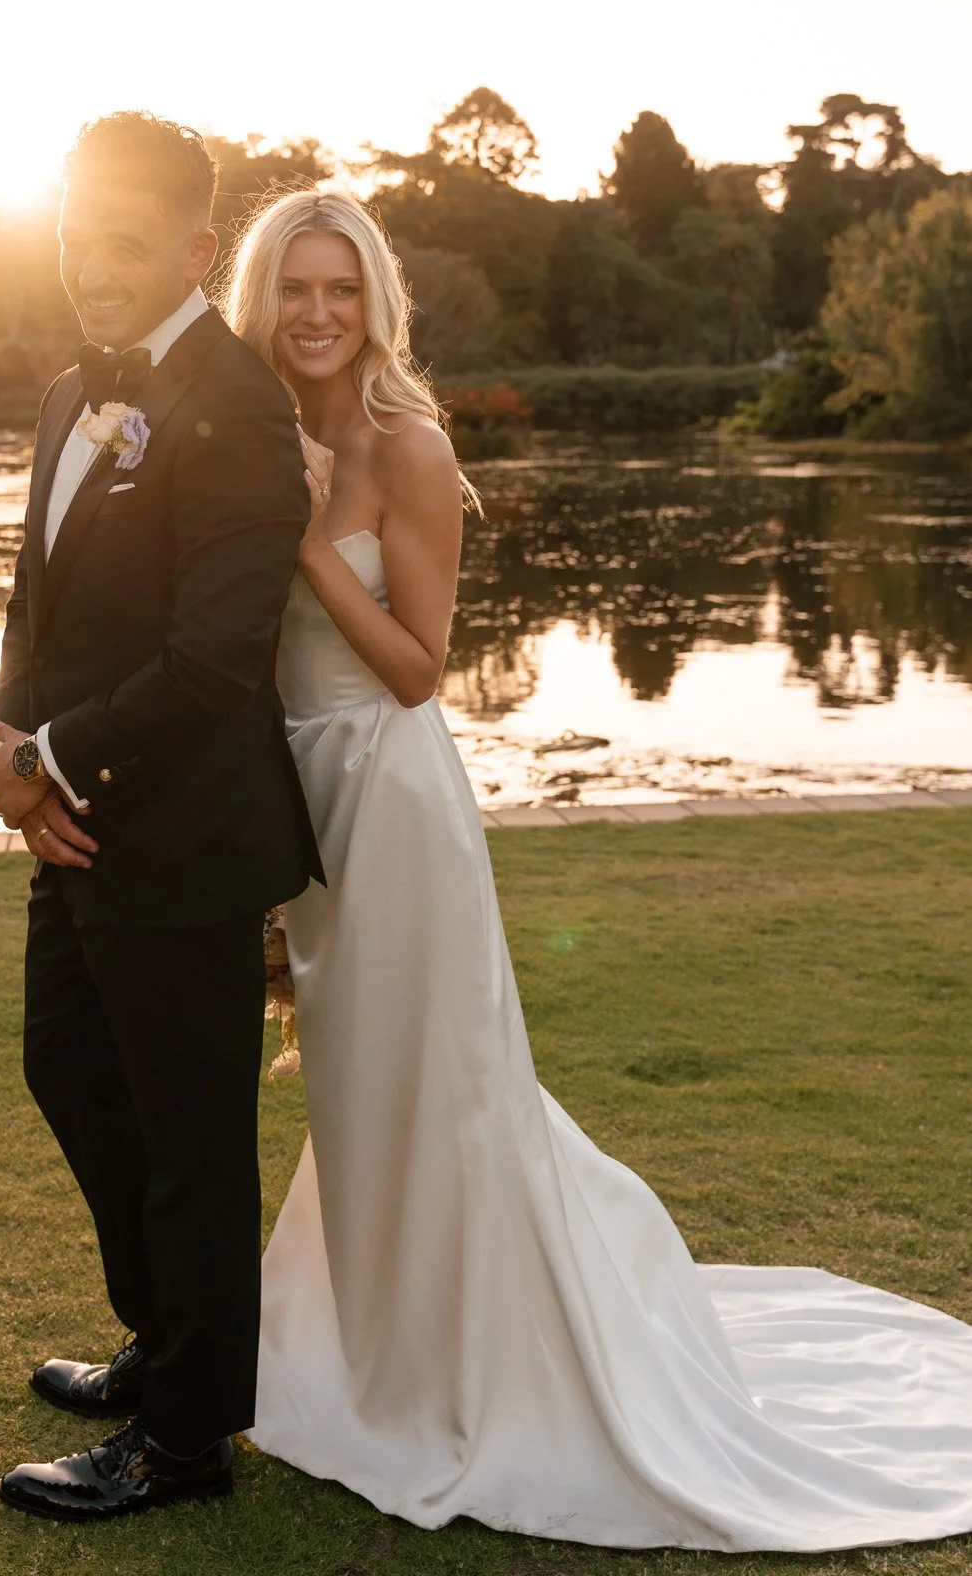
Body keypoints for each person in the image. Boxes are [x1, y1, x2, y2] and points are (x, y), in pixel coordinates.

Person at [229, 186, 972, 1551]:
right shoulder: (254, 433)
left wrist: (301, 536)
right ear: (261, 298)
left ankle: (465, 1377)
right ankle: (371, 1352)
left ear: (373, 300)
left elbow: (413, 670)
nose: (318, 313)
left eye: (341, 288)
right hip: (304, 808)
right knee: (352, 1089)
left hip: (391, 804)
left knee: (438, 1089)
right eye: (294, 288)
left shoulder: (410, 446)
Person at [0, 113, 321, 1525]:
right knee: (65, 1065)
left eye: (123, 244)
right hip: (75, 822)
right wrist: (11, 735)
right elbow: (33, 594)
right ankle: (161, 1339)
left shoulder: (237, 408)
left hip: (181, 842)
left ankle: (185, 1447)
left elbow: (217, 659)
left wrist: (57, 755)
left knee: (190, 1144)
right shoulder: (71, 392)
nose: (90, 268)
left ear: (192, 248)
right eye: (74, 237)